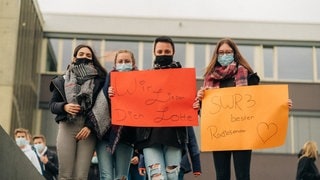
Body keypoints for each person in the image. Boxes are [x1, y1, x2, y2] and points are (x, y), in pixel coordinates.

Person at [193, 38, 293, 180]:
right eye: (221, 52)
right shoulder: (209, 78)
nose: (224, 55)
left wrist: (281, 103)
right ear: (216, 55)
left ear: (234, 53)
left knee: (243, 175)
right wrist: (199, 101)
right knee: (221, 176)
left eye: (228, 52)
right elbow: (205, 113)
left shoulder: (247, 75)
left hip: (242, 134)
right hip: (219, 135)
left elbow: (260, 102)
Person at [49, 44, 107, 179]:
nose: (84, 57)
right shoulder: (62, 80)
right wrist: (64, 107)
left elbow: (102, 107)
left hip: (88, 129)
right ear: (74, 58)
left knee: (80, 175)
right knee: (65, 174)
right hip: (67, 126)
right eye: (81, 54)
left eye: (88, 55)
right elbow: (52, 105)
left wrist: (90, 126)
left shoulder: (100, 80)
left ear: (92, 60)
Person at [135, 36, 187, 180]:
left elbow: (189, 104)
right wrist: (115, 93)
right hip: (149, 137)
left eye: (166, 51)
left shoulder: (183, 78)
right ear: (154, 52)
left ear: (173, 52)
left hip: (174, 137)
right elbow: (134, 102)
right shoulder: (144, 78)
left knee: (172, 177)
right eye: (160, 51)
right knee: (157, 177)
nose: (163, 54)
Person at [96, 49, 137, 180]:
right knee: (106, 176)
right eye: (120, 61)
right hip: (106, 135)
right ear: (115, 64)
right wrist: (108, 96)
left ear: (133, 63)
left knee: (122, 177)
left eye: (127, 61)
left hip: (127, 136)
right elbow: (99, 106)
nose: (123, 64)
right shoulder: (109, 79)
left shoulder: (141, 82)